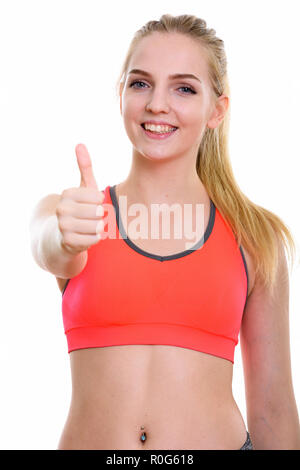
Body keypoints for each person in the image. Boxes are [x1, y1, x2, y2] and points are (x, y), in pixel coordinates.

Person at [29, 14, 300, 450]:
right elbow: (48, 245)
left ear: (217, 110)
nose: (157, 104)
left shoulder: (254, 237)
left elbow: (274, 412)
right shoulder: (73, 214)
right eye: (140, 83)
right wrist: (61, 235)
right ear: (121, 94)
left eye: (184, 88)